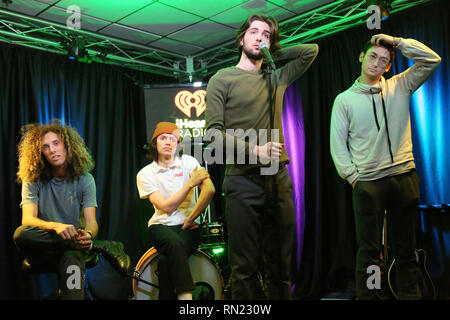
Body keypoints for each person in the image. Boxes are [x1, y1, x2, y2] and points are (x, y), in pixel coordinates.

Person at [205, 14, 318, 299]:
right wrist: (254, 150)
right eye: (253, 32)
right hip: (241, 181)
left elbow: (311, 51)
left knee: (281, 264)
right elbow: (212, 135)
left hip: (277, 178)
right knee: (244, 266)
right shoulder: (223, 78)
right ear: (241, 39)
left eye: (265, 34)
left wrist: (271, 50)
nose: (259, 37)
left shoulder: (276, 77)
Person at [330, 34, 441, 299]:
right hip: (368, 184)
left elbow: (432, 60)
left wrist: (398, 42)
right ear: (361, 56)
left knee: (406, 249)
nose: (377, 64)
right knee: (369, 252)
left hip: (404, 177)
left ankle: (409, 296)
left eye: (384, 61)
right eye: (372, 57)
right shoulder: (344, 100)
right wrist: (355, 178)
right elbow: (337, 146)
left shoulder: (400, 86)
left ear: (389, 66)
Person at [13, 120, 129, 300]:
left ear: (68, 145)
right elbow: (27, 219)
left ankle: (85, 245)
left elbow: (91, 222)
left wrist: (89, 235)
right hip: (45, 246)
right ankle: (101, 246)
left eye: (56, 143)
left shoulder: (85, 179)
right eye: (45, 147)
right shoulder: (33, 178)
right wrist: (56, 226)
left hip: (72, 249)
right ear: (40, 153)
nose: (52, 150)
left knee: (73, 262)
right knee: (21, 234)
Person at [136, 122, 215, 300]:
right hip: (160, 227)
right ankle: (186, 298)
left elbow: (209, 189)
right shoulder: (145, 173)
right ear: (155, 143)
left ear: (178, 144)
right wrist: (189, 184)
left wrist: (191, 218)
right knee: (174, 244)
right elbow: (166, 207)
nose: (168, 142)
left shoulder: (189, 162)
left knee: (166, 262)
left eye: (173, 139)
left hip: (189, 226)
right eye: (163, 138)